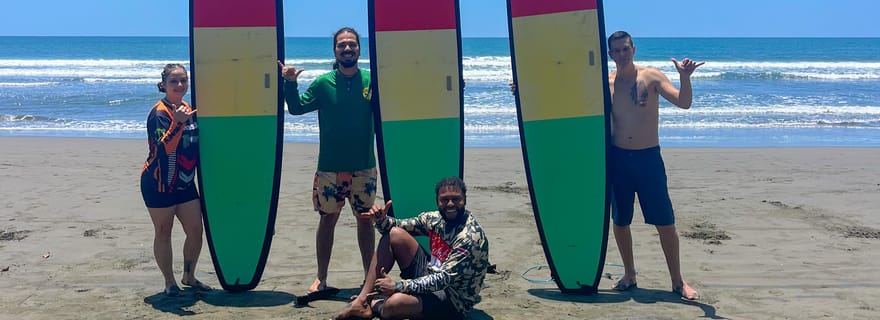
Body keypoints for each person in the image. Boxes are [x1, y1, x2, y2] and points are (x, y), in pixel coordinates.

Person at [277, 27, 378, 296]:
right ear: (334, 50)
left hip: (364, 166)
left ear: (359, 48)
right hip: (330, 167)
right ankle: (321, 278)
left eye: (352, 45)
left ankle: (369, 278)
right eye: (342, 45)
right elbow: (296, 108)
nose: (347, 49)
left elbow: (393, 109)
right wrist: (289, 82)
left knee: (366, 221)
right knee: (328, 219)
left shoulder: (372, 81)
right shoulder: (324, 83)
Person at [606, 30, 704, 300]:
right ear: (610, 54)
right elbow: (572, 103)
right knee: (621, 221)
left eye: (626, 48)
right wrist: (524, 93)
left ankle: (677, 281)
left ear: (633, 49)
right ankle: (629, 274)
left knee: (665, 223)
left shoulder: (651, 77)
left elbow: (684, 103)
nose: (622, 54)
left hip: (648, 158)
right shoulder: (606, 82)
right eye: (617, 50)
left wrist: (685, 78)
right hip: (618, 159)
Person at [335, 176, 489, 320]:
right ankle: (362, 300)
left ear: (464, 200)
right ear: (437, 201)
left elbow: (443, 280)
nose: (450, 204)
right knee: (394, 234)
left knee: (394, 304)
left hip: (453, 299)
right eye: (444, 200)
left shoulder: (470, 237)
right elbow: (398, 226)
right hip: (430, 273)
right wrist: (381, 220)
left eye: (456, 199)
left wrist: (399, 286)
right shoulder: (435, 219)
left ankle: (375, 305)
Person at [140, 63, 212, 297]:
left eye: (183, 80)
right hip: (159, 182)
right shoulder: (159, 113)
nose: (180, 85)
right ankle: (169, 282)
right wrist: (178, 122)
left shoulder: (188, 109)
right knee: (164, 230)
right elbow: (165, 149)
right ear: (163, 85)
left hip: (184, 181)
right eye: (174, 81)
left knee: (195, 230)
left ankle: (189, 276)